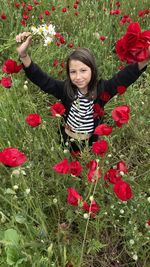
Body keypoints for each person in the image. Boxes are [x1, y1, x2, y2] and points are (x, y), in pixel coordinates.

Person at [16, 32, 149, 153]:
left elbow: (125, 77)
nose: (78, 77)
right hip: (67, 140)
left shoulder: (102, 90)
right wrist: (23, 55)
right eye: (73, 72)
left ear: (92, 70)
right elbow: (42, 79)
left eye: (83, 70)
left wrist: (145, 57)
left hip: (90, 143)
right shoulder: (65, 89)